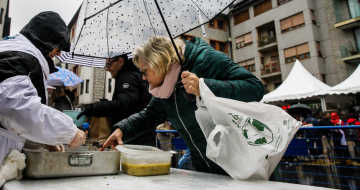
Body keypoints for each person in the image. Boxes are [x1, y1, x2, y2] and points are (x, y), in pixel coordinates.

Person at [0, 12, 86, 189]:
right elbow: (15, 107)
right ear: (46, 41)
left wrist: (42, 138)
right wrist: (69, 131)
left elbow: (15, 119)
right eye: (57, 49)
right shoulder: (15, 57)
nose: (56, 54)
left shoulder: (14, 52)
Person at [101, 36, 265, 177]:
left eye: (145, 71)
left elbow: (255, 87)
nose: (143, 78)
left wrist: (205, 87)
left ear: (159, 61)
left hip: (242, 166)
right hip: (206, 170)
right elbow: (150, 115)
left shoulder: (205, 59)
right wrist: (121, 130)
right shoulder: (165, 88)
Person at [77, 54, 156, 146]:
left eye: (109, 65)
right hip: (140, 137)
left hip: (133, 140)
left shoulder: (127, 77)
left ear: (121, 61)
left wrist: (95, 108)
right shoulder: (135, 75)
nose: (107, 69)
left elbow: (125, 105)